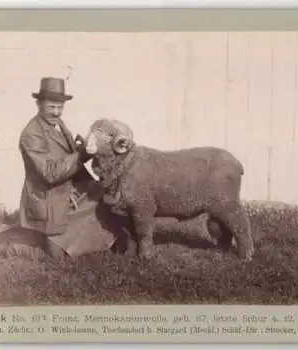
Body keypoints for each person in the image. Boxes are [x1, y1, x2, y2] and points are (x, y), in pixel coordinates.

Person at [18, 76, 210, 259]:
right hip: (48, 195)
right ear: (38, 104)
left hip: (67, 189)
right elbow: (50, 172)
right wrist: (83, 153)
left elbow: (65, 156)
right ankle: (13, 245)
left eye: (59, 107)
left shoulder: (57, 124)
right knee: (55, 254)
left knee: (110, 195)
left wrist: (84, 149)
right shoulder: (32, 134)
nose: (56, 112)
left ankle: (119, 240)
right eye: (51, 107)